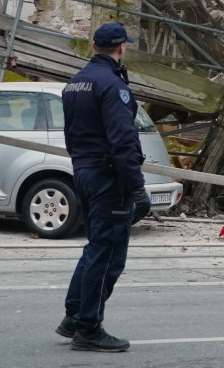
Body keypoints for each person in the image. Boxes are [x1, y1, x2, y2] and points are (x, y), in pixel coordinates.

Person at [58, 22, 149, 352]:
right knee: (108, 254)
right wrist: (137, 187)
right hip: (108, 179)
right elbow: (123, 140)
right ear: (121, 48)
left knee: (95, 248)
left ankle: (74, 316)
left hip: (83, 172)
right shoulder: (112, 86)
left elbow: (73, 135)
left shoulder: (75, 82)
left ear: (94, 45)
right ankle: (88, 328)